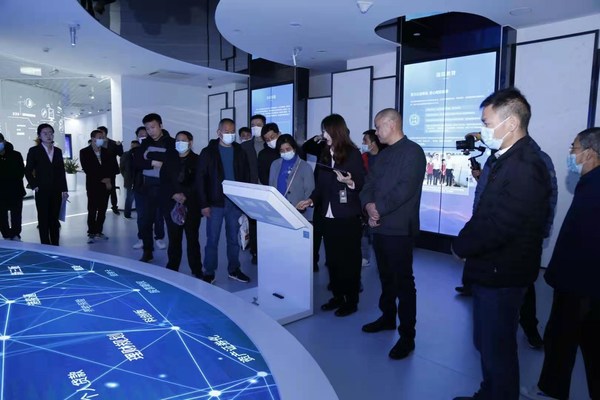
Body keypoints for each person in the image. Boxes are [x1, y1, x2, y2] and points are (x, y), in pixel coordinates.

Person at [452, 88, 552, 400]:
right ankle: (489, 392)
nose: (483, 130)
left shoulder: (526, 165)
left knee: (498, 347)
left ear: (510, 124)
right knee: (486, 342)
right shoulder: (506, 158)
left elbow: (500, 223)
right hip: (491, 268)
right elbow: (485, 210)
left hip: (504, 272)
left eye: (487, 123)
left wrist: (461, 246)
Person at [455, 134, 558, 350]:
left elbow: (549, 198)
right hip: (487, 231)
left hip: (515, 242)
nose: (485, 132)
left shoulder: (536, 160)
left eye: (488, 123)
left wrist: (542, 231)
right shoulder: (494, 159)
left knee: (522, 288)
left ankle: (530, 328)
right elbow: (491, 194)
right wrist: (479, 178)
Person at [521, 127, 600, 400]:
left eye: (574, 148)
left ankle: (551, 390)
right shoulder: (590, 182)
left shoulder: (595, 187)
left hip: (578, 283)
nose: (570, 153)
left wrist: (559, 276)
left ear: (589, 153)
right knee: (587, 341)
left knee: (561, 338)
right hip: (584, 282)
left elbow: (585, 241)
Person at [359, 108, 426, 360]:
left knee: (403, 282)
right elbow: (369, 184)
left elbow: (405, 189)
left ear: (391, 124)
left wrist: (378, 209)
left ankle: (407, 336)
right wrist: (368, 206)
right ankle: (387, 317)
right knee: (386, 277)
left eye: (378, 127)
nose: (376, 132)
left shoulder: (413, 152)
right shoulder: (384, 154)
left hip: (399, 229)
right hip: (379, 227)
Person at [297, 114, 365, 317]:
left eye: (325, 131)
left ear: (336, 131)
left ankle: (351, 300)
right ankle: (337, 296)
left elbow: (362, 182)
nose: (323, 134)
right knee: (333, 260)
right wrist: (311, 200)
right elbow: (320, 185)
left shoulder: (352, 153)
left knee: (349, 261)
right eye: (323, 130)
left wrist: (349, 182)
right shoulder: (325, 153)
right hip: (327, 214)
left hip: (347, 216)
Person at [196, 118, 251, 284]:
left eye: (232, 131)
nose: (230, 134)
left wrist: (244, 202)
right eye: (226, 131)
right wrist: (204, 204)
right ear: (219, 132)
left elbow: (246, 177)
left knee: (233, 240)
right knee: (212, 240)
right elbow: (200, 179)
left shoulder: (240, 151)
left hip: (235, 203)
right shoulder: (208, 152)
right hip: (215, 203)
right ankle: (209, 271)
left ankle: (234, 269)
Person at [160, 131, 203, 278]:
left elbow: (200, 182)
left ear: (190, 142)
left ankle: (196, 269)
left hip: (192, 205)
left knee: (192, 239)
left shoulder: (198, 160)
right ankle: (172, 267)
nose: (179, 143)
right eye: (177, 140)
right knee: (174, 239)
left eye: (183, 140)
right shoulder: (169, 160)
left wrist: (186, 195)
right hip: (172, 204)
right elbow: (163, 181)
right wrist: (174, 194)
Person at [133, 114, 174, 262]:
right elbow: (137, 162)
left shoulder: (171, 142)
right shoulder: (144, 143)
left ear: (160, 126)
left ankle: (173, 258)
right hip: (147, 188)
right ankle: (147, 251)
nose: (151, 131)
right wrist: (153, 162)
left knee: (170, 223)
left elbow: (171, 161)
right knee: (145, 222)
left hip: (166, 188)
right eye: (148, 128)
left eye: (153, 127)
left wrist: (149, 156)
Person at [25, 123, 69, 246]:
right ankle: (45, 244)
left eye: (50, 133)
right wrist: (34, 185)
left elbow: (61, 172)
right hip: (42, 189)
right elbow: (28, 170)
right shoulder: (34, 151)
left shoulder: (58, 151)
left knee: (54, 218)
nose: (48, 135)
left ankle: (55, 244)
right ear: (39, 136)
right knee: (43, 218)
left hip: (56, 189)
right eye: (45, 133)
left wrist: (64, 189)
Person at [80, 129, 114, 242]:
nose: (102, 139)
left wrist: (108, 180)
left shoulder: (106, 151)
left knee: (103, 209)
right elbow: (87, 169)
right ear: (93, 138)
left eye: (103, 137)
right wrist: (102, 179)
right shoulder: (84, 152)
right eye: (100, 137)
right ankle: (91, 231)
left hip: (106, 185)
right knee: (92, 209)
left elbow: (110, 167)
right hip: (93, 185)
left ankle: (99, 231)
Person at [302, 134, 329, 272]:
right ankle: (313, 261)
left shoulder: (346, 151)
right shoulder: (323, 146)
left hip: (336, 195)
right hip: (320, 193)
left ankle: (331, 260)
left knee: (331, 232)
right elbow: (306, 147)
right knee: (317, 230)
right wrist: (316, 138)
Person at [360, 129, 386, 267]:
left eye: (365, 140)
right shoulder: (362, 158)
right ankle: (365, 256)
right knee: (363, 231)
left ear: (373, 143)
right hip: (365, 199)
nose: (363, 143)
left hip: (381, 201)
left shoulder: (386, 158)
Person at [269, 134, 314, 209]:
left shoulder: (305, 167)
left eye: (288, 149)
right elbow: (271, 187)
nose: (285, 152)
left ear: (294, 148)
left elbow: (309, 192)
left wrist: (304, 206)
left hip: (298, 210)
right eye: (282, 150)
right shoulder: (275, 164)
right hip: (278, 208)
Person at [239, 125, 259, 264]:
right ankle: (252, 248)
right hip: (247, 189)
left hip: (260, 189)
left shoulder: (259, 148)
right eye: (243, 136)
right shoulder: (241, 149)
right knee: (250, 221)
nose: (246, 138)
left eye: (248, 135)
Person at [0, 133, 26, 241]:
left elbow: (21, 172)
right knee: (1, 215)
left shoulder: (16, 155)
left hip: (15, 190)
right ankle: (6, 234)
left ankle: (16, 233)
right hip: (1, 192)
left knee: (16, 214)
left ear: (4, 141)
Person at [97, 126, 123, 215]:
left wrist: (119, 146)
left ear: (105, 133)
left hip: (111, 170)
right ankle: (101, 207)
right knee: (101, 189)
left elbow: (121, 154)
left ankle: (114, 206)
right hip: (100, 170)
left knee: (112, 189)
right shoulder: (97, 143)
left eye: (101, 132)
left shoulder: (113, 143)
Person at [120, 139, 139, 219]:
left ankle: (140, 213)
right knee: (129, 198)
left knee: (139, 198)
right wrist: (126, 176)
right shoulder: (126, 154)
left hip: (139, 180)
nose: (133, 147)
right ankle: (127, 214)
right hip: (130, 180)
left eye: (135, 146)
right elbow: (122, 168)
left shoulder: (141, 154)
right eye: (132, 146)